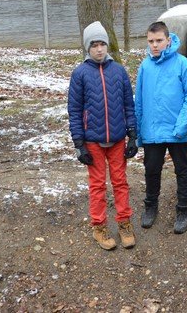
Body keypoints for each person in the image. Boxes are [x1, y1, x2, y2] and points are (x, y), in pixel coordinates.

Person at [67, 21, 138, 251]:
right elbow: (74, 110)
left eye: (102, 44)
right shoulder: (80, 74)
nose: (99, 49)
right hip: (92, 141)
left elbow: (128, 105)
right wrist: (79, 144)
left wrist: (132, 135)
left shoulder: (118, 71)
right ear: (88, 47)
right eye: (94, 45)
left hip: (117, 139)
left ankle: (124, 222)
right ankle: (99, 226)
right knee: (97, 185)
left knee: (120, 182)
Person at [135, 21, 187, 234]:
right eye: (151, 41)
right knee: (152, 169)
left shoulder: (183, 64)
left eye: (159, 40)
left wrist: (182, 125)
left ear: (168, 40)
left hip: (177, 130)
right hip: (152, 131)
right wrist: (138, 129)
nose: (155, 45)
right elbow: (139, 100)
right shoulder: (145, 66)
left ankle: (183, 209)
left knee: (182, 169)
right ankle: (150, 206)